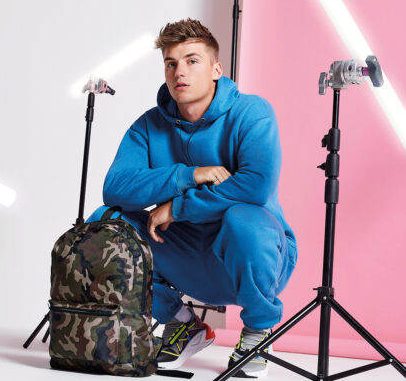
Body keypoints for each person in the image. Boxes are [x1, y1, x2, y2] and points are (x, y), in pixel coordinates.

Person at [87, 19, 297, 377]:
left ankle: (258, 331)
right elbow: (116, 188)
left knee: (244, 219)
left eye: (192, 60)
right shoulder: (148, 125)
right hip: (185, 255)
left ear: (216, 69)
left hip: (251, 256)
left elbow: (255, 186)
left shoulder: (251, 112)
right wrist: (189, 174)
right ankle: (182, 324)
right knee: (106, 223)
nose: (179, 72)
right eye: (171, 63)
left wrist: (178, 206)